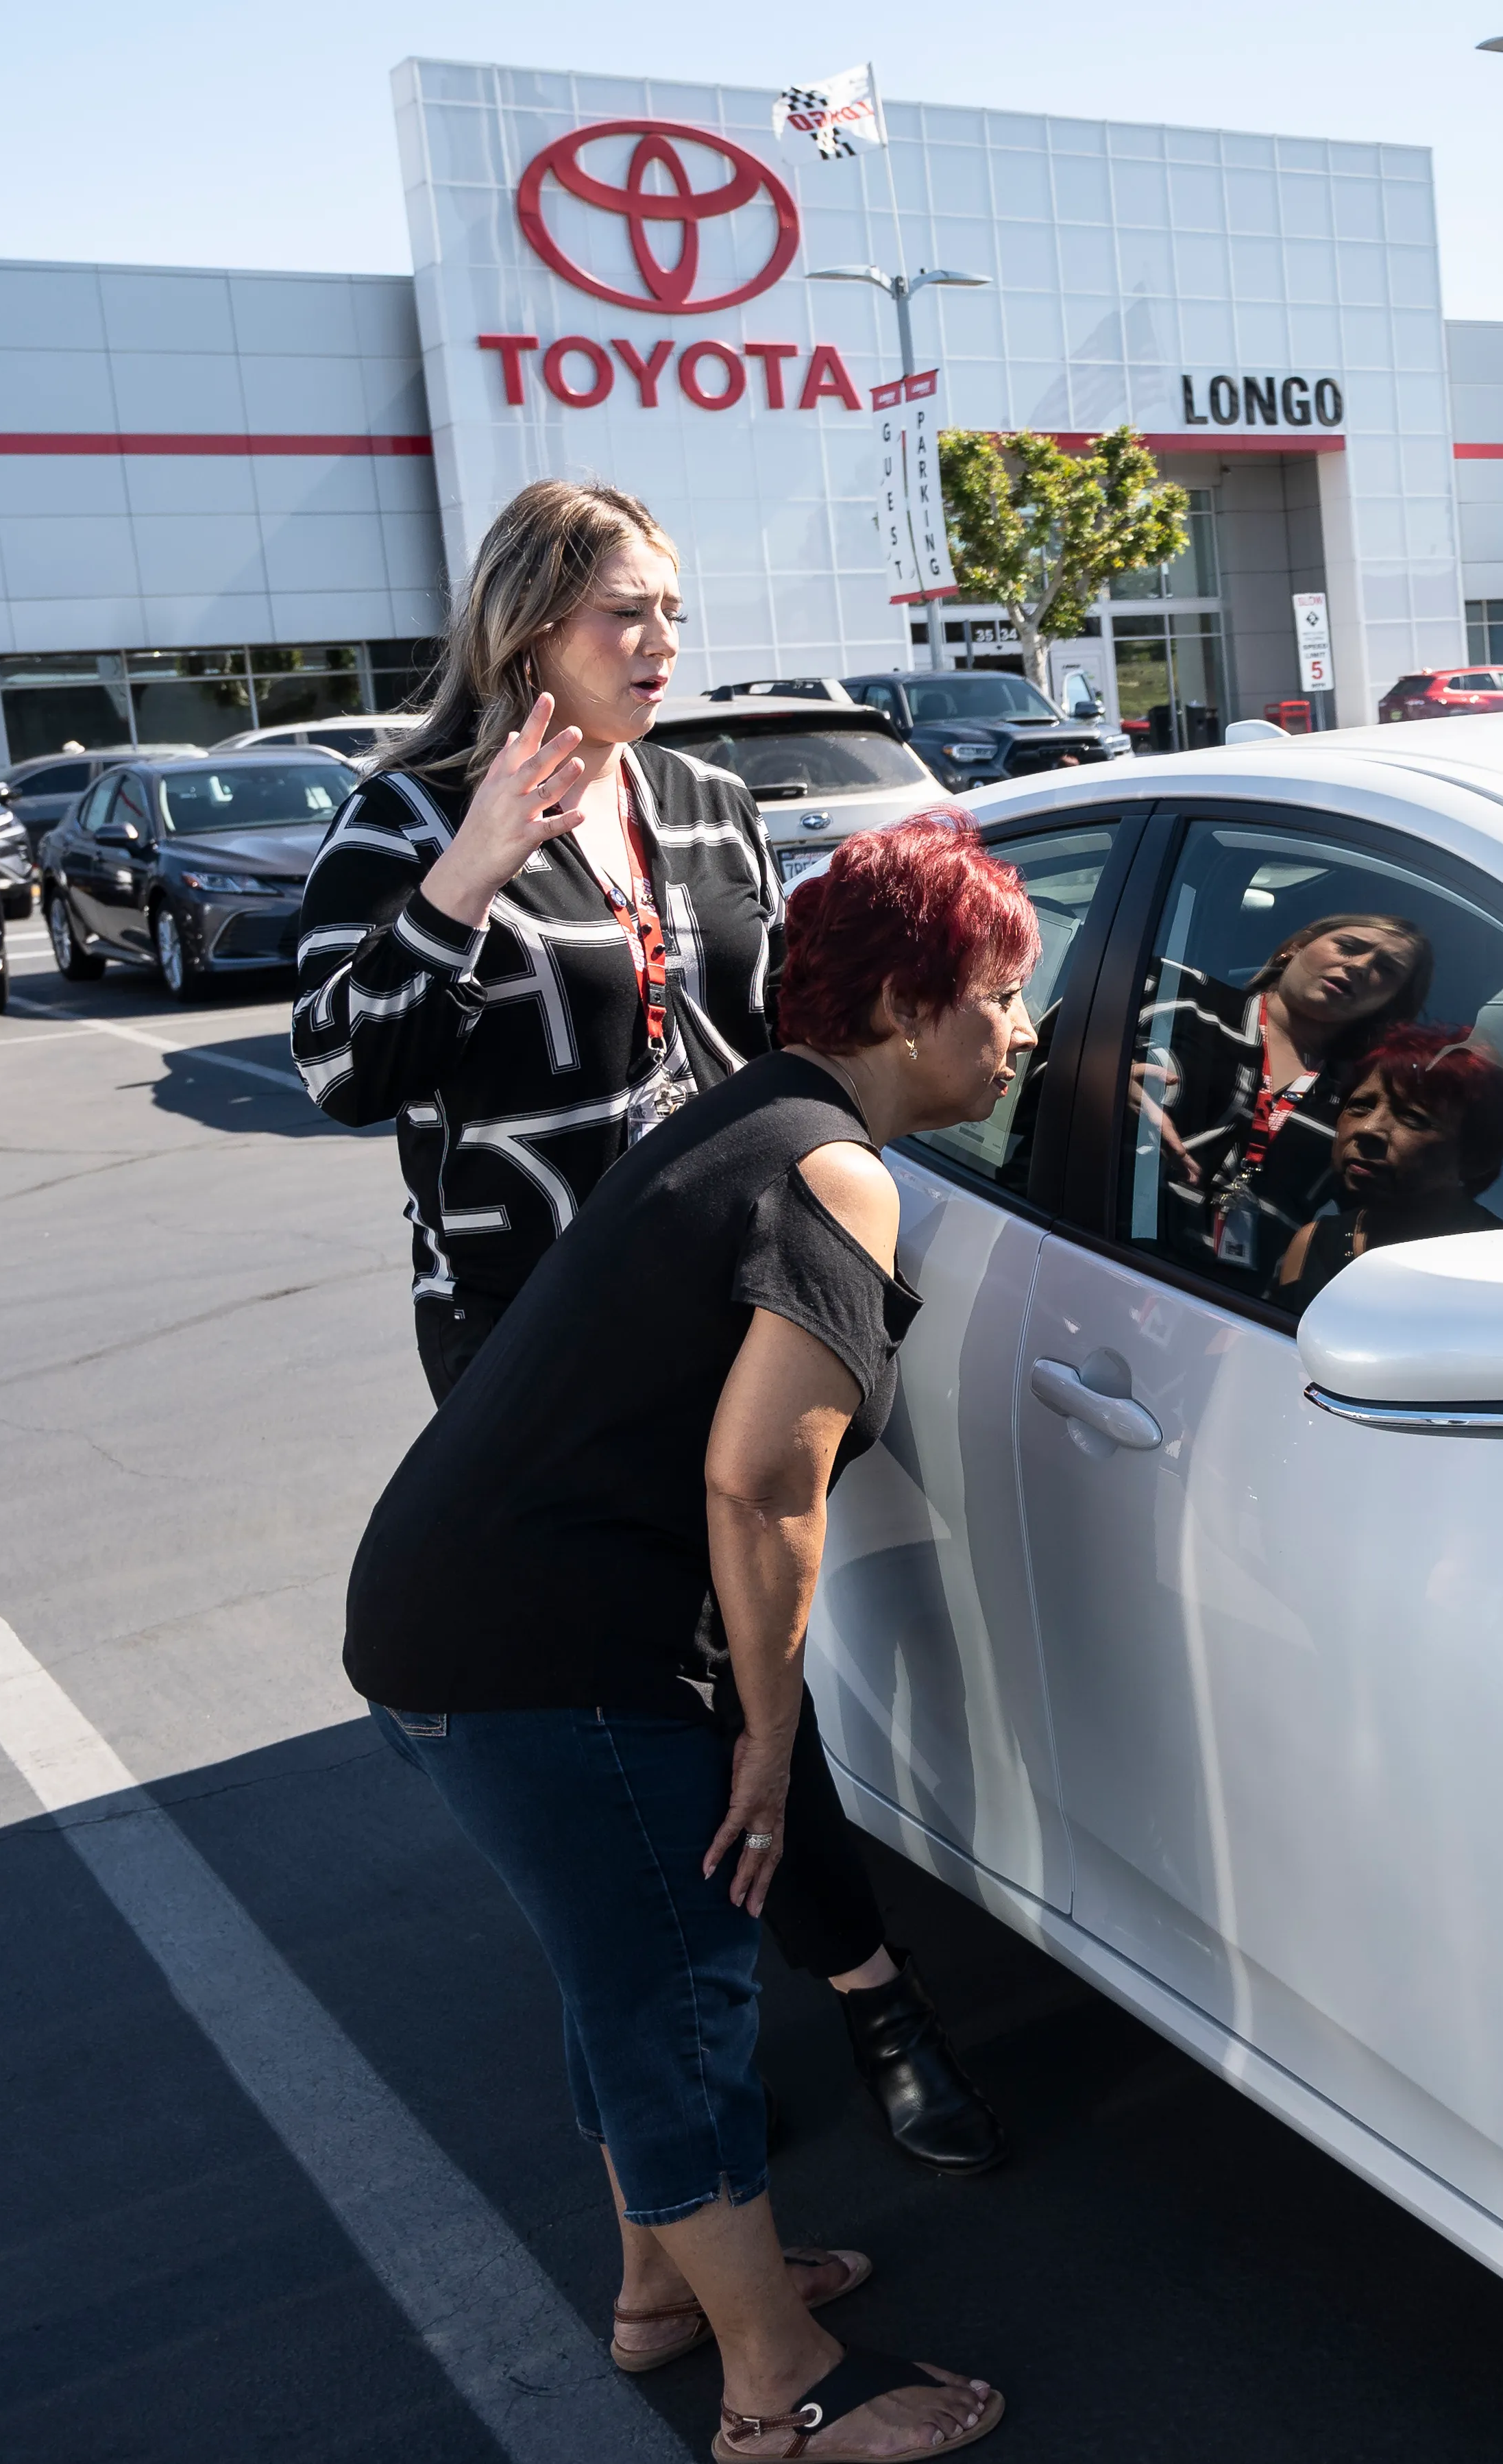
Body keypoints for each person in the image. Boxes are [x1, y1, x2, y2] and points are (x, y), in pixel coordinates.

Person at [291, 478, 1006, 2192]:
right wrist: (474, 865)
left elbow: (775, 1040)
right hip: (531, 1331)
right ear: (528, 623)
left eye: (675, 610)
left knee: (757, 1646)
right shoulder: (407, 818)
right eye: (629, 612)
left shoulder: (700, 801)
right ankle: (826, 1997)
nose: (663, 642)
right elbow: (338, 1066)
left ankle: (778, 2011)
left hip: (726, 1288)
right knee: (649, 1695)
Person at [344, 819, 1031, 2461]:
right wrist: (772, 1742)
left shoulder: (748, 1112)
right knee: (679, 1996)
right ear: (912, 1004)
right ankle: (777, 2383)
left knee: (627, 1981)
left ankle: (671, 2288)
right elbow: (759, 1479)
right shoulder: (836, 1169)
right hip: (544, 1657)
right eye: (1004, 997)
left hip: (449, 1621)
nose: (1021, 1037)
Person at [1132, 913, 1432, 1284]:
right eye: (1349, 947)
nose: (1359, 967)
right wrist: (1099, 1077)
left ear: (1391, 1002)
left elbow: (1399, 1206)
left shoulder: (1361, 1095)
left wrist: (1481, 1096)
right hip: (1094, 1241)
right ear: (1295, 947)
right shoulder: (1171, 988)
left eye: (1386, 969)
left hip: (1233, 1306)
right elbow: (1047, 1045)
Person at [1273, 1025, 1503, 1307]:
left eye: (1414, 1118)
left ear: (1477, 1157)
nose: (1368, 1129)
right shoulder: (1311, 1244)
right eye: (1360, 1105)